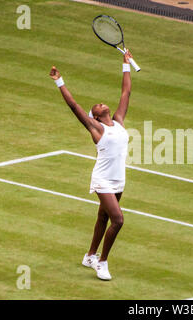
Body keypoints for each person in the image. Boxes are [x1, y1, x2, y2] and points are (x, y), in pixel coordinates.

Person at [49, 50, 134, 280]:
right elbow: (74, 106)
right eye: (95, 107)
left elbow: (125, 92)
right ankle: (102, 263)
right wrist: (60, 81)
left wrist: (125, 65)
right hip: (103, 179)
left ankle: (89, 255)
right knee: (118, 220)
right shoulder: (97, 129)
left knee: (103, 218)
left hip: (118, 179)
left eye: (100, 104)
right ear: (94, 118)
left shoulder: (118, 121)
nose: (99, 104)